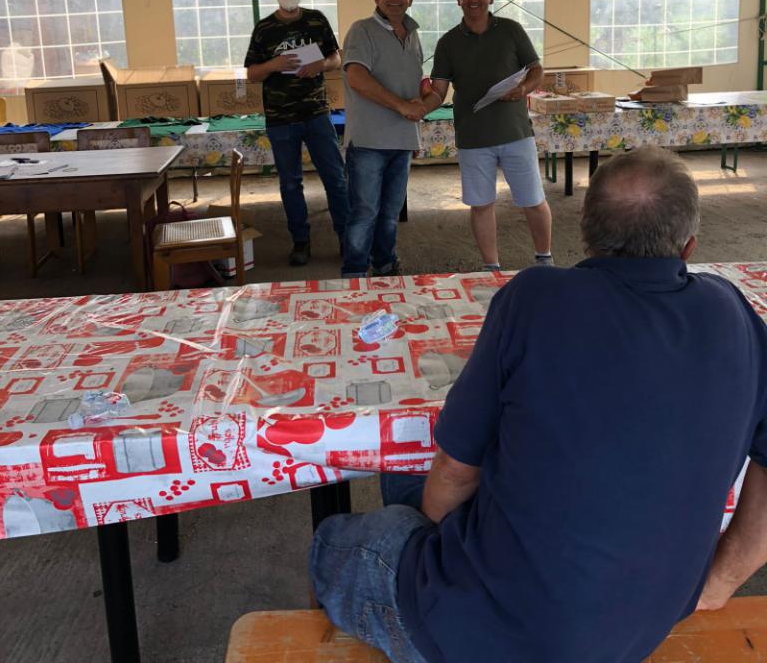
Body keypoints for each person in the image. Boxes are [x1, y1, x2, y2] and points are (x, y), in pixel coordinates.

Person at [310, 147, 767, 663]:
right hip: (639, 628)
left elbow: (455, 472)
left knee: (334, 542)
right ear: (688, 248)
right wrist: (722, 579)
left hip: (490, 632)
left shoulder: (535, 297)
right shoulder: (734, 313)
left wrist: (436, 549)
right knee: (406, 482)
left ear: (586, 233)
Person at [421, 0, 552, 270]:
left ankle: (545, 258)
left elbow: (537, 70)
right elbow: (439, 91)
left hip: (515, 133)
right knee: (481, 205)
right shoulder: (448, 42)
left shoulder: (511, 30)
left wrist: (523, 89)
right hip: (472, 137)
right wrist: (420, 106)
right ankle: (491, 267)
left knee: (533, 199)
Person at [244, 0, 348, 266]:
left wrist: (321, 65)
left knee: (335, 178)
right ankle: (300, 241)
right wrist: (273, 64)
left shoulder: (316, 20)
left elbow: (336, 57)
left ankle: (346, 237)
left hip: (316, 114)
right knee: (290, 184)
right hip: (280, 119)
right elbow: (252, 73)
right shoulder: (264, 29)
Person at [341, 0, 425, 279]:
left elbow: (411, 85)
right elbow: (356, 77)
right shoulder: (361, 30)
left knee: (390, 214)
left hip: (402, 141)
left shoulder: (413, 34)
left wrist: (414, 134)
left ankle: (385, 266)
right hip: (369, 141)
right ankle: (354, 274)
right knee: (364, 213)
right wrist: (401, 105)